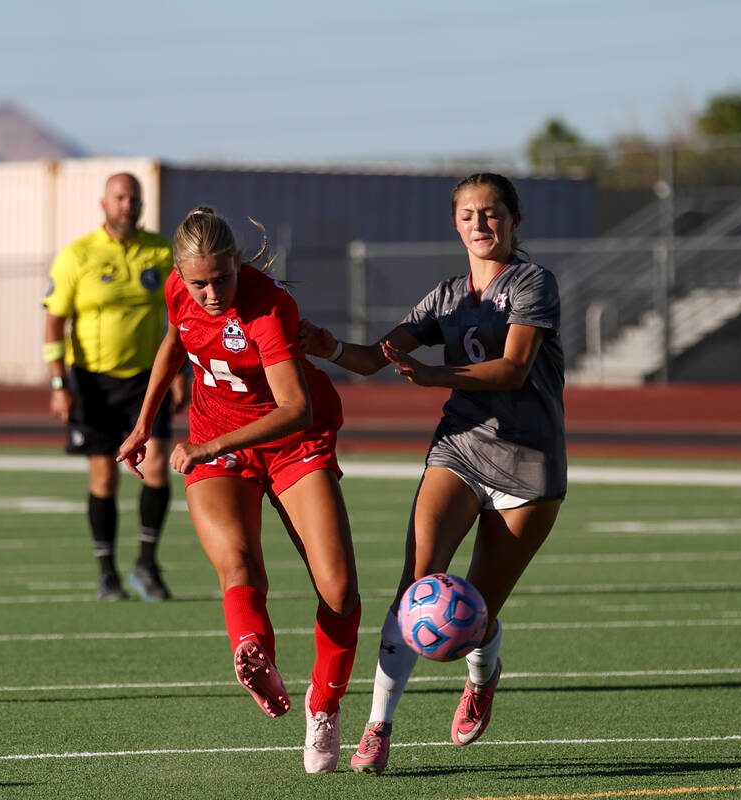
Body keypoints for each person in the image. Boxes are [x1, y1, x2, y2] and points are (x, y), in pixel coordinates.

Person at [300, 172, 565, 774]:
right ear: (455, 225)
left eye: (492, 212)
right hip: (459, 449)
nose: (480, 223)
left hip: (530, 465)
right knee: (416, 591)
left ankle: (483, 671)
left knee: (471, 618)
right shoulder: (445, 297)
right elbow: (376, 358)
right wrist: (326, 345)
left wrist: (432, 375)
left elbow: (514, 369)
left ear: (514, 220)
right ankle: (377, 729)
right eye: (468, 214)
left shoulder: (533, 282)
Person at [117, 206, 362, 774]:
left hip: (293, 440)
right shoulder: (179, 288)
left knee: (341, 588)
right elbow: (176, 343)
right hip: (216, 436)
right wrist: (143, 423)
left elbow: (295, 407)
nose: (209, 293)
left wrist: (202, 448)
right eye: (198, 281)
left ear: (238, 262)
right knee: (237, 561)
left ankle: (323, 703)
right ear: (181, 272)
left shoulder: (269, 308)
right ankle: (254, 652)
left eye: (221, 278)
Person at [43, 172, 188, 602]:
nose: (128, 205)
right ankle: (107, 572)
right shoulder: (77, 255)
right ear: (103, 203)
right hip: (92, 381)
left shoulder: (162, 252)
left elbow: (183, 315)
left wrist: (180, 371)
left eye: (135, 198)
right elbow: (55, 319)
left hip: (148, 379)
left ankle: (146, 562)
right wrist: (57, 383)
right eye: (120, 197)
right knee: (105, 474)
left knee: (158, 465)